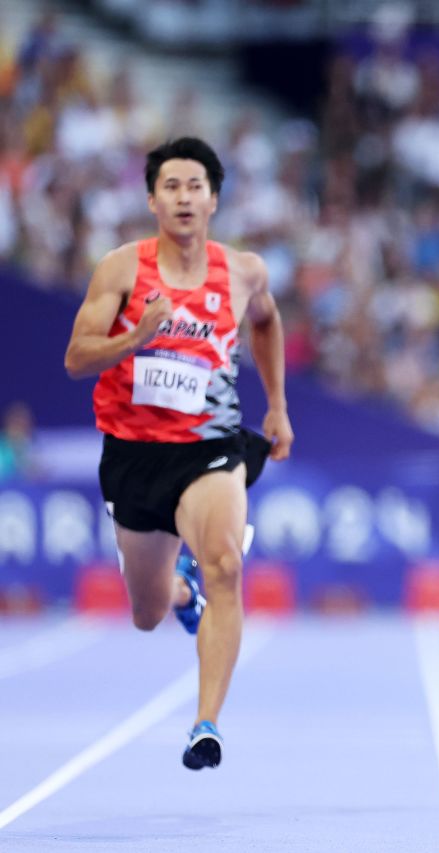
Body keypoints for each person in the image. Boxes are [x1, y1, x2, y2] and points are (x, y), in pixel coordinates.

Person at [64, 137, 293, 770]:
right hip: (134, 455)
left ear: (214, 199)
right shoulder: (121, 270)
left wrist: (276, 406)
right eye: (172, 186)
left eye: (196, 185)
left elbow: (268, 323)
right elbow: (76, 357)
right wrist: (137, 335)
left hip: (209, 449)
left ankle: (205, 723)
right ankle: (182, 597)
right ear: (152, 200)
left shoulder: (244, 271)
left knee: (224, 561)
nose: (184, 196)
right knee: (148, 611)